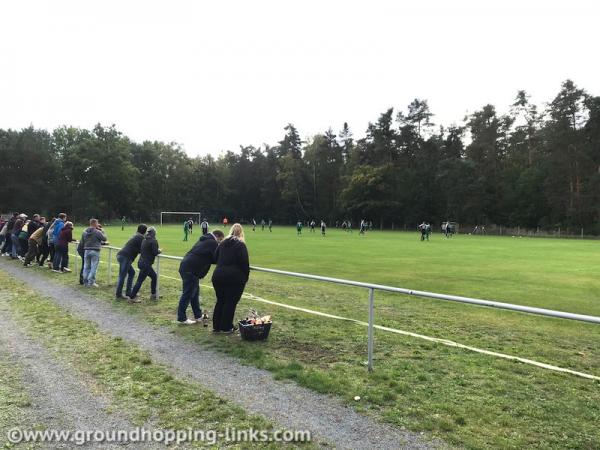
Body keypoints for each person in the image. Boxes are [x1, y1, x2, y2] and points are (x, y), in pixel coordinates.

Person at [177, 229, 225, 325]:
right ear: (218, 236)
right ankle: (182, 318)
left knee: (194, 294)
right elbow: (216, 258)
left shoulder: (205, 240)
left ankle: (198, 315)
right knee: (188, 293)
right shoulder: (212, 242)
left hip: (188, 267)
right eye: (220, 240)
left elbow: (208, 257)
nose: (220, 242)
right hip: (191, 269)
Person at [212, 224, 250, 333]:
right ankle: (226, 326)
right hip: (233, 277)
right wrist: (245, 277)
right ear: (241, 233)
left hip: (218, 275)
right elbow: (244, 263)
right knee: (230, 302)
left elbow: (215, 257)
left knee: (220, 301)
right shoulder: (241, 245)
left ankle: (217, 326)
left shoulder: (222, 243)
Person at [115, 224, 147, 301]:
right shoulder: (140, 237)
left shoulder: (136, 236)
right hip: (126, 257)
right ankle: (119, 294)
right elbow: (143, 249)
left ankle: (129, 292)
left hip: (122, 255)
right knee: (122, 275)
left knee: (132, 273)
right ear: (145, 231)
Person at [129, 227, 161, 301]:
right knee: (139, 281)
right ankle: (132, 297)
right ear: (154, 233)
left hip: (141, 262)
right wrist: (159, 251)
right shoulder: (153, 241)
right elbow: (155, 252)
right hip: (146, 264)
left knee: (154, 277)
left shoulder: (144, 239)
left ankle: (153, 294)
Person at [81, 219, 108, 287]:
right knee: (94, 267)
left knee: (86, 267)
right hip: (95, 250)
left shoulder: (84, 231)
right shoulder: (97, 232)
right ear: (95, 224)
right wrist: (103, 231)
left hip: (86, 250)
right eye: (97, 223)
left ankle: (85, 281)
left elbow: (83, 241)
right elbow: (104, 238)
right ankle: (91, 282)